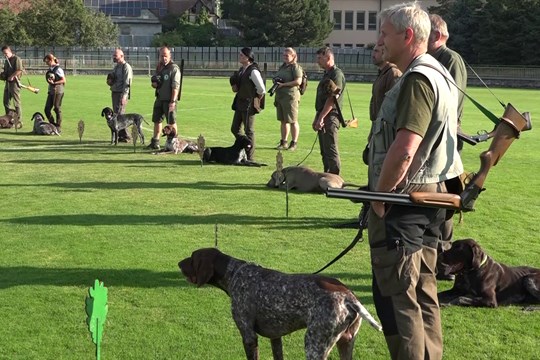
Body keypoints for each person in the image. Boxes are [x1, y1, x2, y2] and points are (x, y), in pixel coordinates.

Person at [367, 3, 463, 359]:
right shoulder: (439, 73)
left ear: (407, 36)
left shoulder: (417, 79)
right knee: (423, 293)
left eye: (384, 34)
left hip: (407, 202)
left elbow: (406, 147)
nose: (380, 40)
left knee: (399, 298)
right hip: (431, 197)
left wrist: (380, 197)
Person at [427, 13, 468, 280]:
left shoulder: (449, 59)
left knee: (444, 203)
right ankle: (437, 259)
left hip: (445, 140)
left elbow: (448, 101)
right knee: (434, 203)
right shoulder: (435, 59)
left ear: (438, 35)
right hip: (436, 137)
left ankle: (446, 263)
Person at [363, 44, 401, 165]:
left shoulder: (393, 73)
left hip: (387, 129)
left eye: (376, 51)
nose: (373, 54)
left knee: (382, 162)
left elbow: (393, 104)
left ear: (385, 53)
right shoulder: (382, 73)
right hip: (378, 126)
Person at [312, 46, 345, 175]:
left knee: (331, 149)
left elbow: (332, 98)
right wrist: (317, 117)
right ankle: (327, 175)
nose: (317, 61)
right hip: (323, 114)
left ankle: (334, 178)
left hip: (331, 116)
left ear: (329, 57)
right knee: (324, 150)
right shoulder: (327, 74)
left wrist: (321, 117)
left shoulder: (336, 74)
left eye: (320, 58)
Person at [229, 47, 265, 161]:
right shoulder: (241, 70)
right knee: (235, 128)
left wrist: (255, 98)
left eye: (242, 55)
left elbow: (261, 89)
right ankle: (244, 145)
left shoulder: (253, 71)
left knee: (249, 130)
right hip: (240, 103)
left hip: (249, 104)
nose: (240, 57)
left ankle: (250, 157)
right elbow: (235, 89)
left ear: (248, 57)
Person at [147, 46, 181, 150]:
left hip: (169, 100)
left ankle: (175, 143)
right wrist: (154, 84)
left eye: (166, 56)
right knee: (157, 120)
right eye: (162, 56)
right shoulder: (159, 67)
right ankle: (155, 142)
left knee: (171, 122)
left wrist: (173, 101)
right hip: (159, 98)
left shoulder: (173, 68)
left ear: (170, 55)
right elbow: (156, 82)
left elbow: (175, 86)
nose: (164, 58)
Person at [273, 47, 302, 151]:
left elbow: (298, 81)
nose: (284, 57)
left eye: (287, 55)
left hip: (290, 97)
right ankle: (283, 142)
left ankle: (294, 143)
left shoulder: (295, 67)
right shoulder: (283, 67)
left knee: (293, 120)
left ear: (293, 56)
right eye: (284, 55)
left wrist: (284, 84)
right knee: (283, 120)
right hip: (281, 96)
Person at [108, 48, 133, 142]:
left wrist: (124, 96)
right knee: (117, 114)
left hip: (121, 93)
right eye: (113, 55)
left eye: (115, 55)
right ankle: (121, 135)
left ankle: (126, 136)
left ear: (122, 56)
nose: (113, 57)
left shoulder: (126, 67)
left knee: (120, 115)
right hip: (115, 92)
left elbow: (127, 82)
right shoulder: (117, 66)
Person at [43, 54, 66, 132]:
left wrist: (54, 82)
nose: (46, 64)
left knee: (56, 107)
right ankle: (53, 124)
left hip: (58, 90)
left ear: (51, 60)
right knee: (47, 109)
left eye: (47, 62)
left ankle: (58, 126)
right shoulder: (50, 69)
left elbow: (64, 80)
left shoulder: (58, 69)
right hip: (51, 91)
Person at [1, 46, 22, 122]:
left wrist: (12, 76)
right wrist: (2, 75)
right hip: (8, 84)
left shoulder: (17, 59)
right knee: (5, 102)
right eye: (3, 54)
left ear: (10, 51)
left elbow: (19, 70)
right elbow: (5, 73)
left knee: (16, 103)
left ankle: (18, 120)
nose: (5, 55)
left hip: (15, 84)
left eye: (6, 53)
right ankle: (8, 118)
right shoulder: (6, 61)